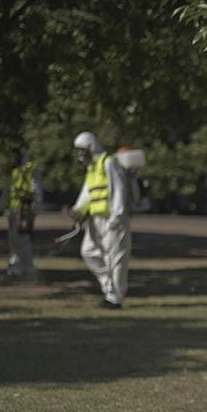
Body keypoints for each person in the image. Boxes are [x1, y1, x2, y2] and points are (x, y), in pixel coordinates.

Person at [69, 131, 132, 309]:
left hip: (112, 219)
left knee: (116, 259)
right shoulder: (92, 168)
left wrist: (117, 216)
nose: (80, 154)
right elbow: (86, 194)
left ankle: (115, 299)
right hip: (96, 220)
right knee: (88, 252)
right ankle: (109, 287)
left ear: (91, 146)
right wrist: (77, 210)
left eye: (82, 149)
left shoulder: (109, 162)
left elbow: (118, 189)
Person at [0, 148, 43, 278]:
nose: (14, 159)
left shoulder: (32, 170)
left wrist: (34, 210)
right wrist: (0, 207)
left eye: (17, 156)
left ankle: (26, 268)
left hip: (25, 211)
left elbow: (37, 191)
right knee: (13, 239)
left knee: (23, 240)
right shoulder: (14, 172)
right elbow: (7, 192)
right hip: (13, 211)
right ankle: (15, 267)